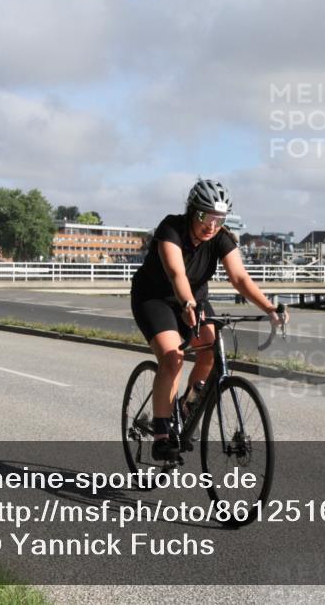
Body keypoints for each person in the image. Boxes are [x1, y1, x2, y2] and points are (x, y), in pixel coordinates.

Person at [131, 179, 288, 461]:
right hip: (155, 297)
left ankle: (187, 406)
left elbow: (239, 278)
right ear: (192, 211)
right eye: (205, 216)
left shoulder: (221, 237)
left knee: (210, 354)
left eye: (219, 218)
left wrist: (269, 308)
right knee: (172, 357)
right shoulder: (171, 228)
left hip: (195, 300)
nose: (211, 225)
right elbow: (177, 274)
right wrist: (186, 302)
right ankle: (162, 434)